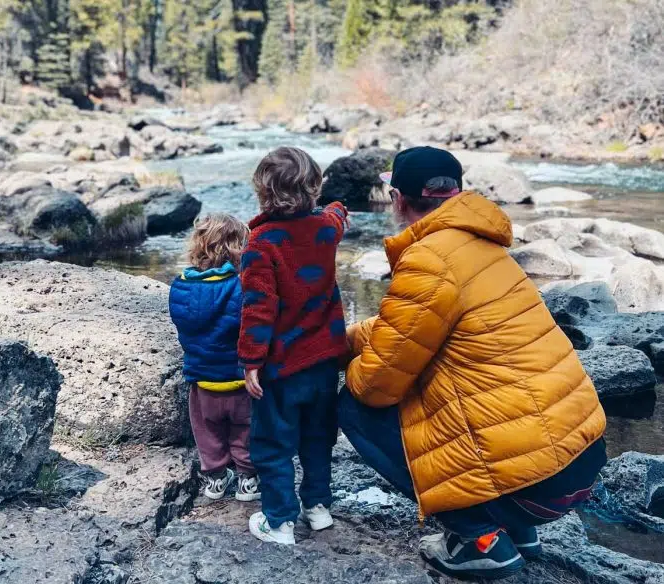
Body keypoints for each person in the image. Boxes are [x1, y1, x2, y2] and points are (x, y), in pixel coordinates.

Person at [340, 146, 607, 580]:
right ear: (457, 193)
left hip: (536, 485)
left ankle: (480, 537)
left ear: (399, 201)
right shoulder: (482, 245)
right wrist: (351, 339)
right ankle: (516, 530)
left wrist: (338, 362)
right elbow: (409, 325)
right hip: (580, 465)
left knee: (354, 405)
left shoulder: (429, 260)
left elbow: (377, 384)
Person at [239, 146, 350, 545]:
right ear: (313, 187)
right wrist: (335, 206)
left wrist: (251, 361)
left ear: (262, 192)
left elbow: (258, 309)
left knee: (272, 443)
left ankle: (280, 521)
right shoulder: (325, 228)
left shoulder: (260, 244)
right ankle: (318, 508)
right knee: (318, 437)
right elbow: (337, 216)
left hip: (280, 368)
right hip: (323, 362)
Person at [169, 214, 261, 502]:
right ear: (237, 248)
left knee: (208, 433)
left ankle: (216, 480)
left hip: (202, 380)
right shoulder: (240, 285)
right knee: (244, 430)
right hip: (238, 379)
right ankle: (247, 478)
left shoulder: (180, 286)